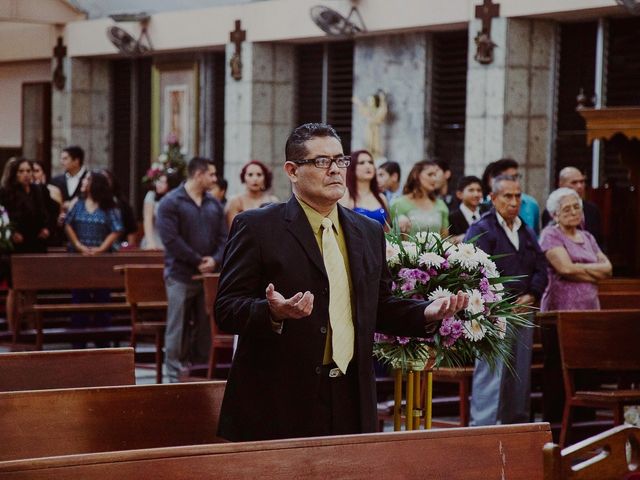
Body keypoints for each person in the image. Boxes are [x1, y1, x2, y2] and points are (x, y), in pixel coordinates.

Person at [214, 122, 468, 442]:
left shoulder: (367, 231)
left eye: (340, 160)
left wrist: (425, 312)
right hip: (281, 395)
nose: (335, 170)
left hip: (351, 391)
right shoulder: (258, 226)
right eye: (322, 162)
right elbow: (225, 309)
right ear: (292, 170)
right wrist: (272, 311)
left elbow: (378, 306)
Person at [465, 174, 547, 426]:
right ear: (493, 198)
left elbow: (541, 266)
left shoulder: (525, 229)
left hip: (523, 308)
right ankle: (482, 429)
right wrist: (499, 301)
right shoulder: (482, 228)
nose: (514, 202)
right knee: (491, 372)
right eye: (507, 196)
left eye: (518, 196)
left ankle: (517, 428)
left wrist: (532, 293)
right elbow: (472, 269)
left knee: (520, 373)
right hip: (493, 312)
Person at [157, 157, 227, 383]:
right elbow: (170, 239)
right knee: (177, 326)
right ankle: (174, 375)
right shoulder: (170, 202)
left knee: (206, 326)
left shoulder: (214, 204)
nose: (215, 179)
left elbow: (224, 238)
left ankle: (200, 371)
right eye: (212, 174)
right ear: (199, 174)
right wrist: (197, 260)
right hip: (180, 274)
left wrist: (214, 260)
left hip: (207, 276)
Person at [64, 170, 124, 348]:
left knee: (101, 299)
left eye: (88, 179)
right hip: (80, 258)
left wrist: (101, 249)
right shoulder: (79, 204)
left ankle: (102, 342)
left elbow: (116, 229)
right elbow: (68, 224)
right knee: (79, 300)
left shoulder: (108, 206)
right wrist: (78, 245)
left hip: (100, 259)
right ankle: (78, 343)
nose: (85, 182)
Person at [539, 187, 612, 311]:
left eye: (576, 207)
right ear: (555, 215)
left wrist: (577, 267)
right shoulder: (550, 235)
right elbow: (566, 269)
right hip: (562, 307)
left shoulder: (587, 236)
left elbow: (608, 269)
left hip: (591, 305)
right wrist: (596, 275)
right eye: (566, 209)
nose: (573, 212)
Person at [0, 158, 50, 334]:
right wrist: (11, 233)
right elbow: (4, 218)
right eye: (21, 171)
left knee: (31, 288)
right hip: (17, 245)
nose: (26, 175)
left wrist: (45, 227)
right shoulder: (6, 192)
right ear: (15, 174)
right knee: (15, 287)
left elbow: (45, 212)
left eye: (28, 171)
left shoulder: (38, 191)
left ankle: (30, 325)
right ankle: (13, 328)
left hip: (34, 243)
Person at [541, 167, 603, 247]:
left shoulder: (593, 210)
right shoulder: (551, 211)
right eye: (574, 183)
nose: (580, 186)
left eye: (582, 182)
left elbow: (600, 242)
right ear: (561, 185)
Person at [390, 160, 449, 236]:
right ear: (416, 175)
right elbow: (394, 237)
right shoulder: (398, 204)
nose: (434, 179)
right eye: (430, 174)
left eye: (435, 175)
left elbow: (445, 239)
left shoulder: (441, 205)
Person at [489, 158, 541, 234]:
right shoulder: (485, 208)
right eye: (509, 178)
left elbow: (536, 235)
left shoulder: (532, 204)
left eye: (516, 177)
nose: (514, 203)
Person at [339, 149, 388, 227]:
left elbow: (387, 230)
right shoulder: (345, 195)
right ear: (353, 168)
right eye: (362, 163)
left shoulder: (381, 198)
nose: (368, 166)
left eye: (371, 162)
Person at [225, 160, 279, 227]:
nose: (255, 179)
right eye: (250, 175)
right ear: (244, 178)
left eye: (259, 175)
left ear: (265, 178)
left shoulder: (273, 201)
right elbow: (233, 231)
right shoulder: (235, 202)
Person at [141, 171, 182, 250]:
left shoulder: (176, 198)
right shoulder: (151, 195)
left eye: (163, 182)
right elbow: (147, 219)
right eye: (158, 181)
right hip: (154, 236)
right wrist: (150, 241)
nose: (158, 184)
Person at [101, 169, 137, 247]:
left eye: (107, 179)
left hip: (119, 244)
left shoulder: (121, 203)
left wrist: (130, 248)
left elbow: (131, 228)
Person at [32, 160, 64, 247]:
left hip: (52, 231)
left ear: (43, 173)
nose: (34, 174)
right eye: (32, 171)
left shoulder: (53, 190)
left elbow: (60, 213)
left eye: (37, 171)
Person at [448, 175, 487, 242]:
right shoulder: (451, 217)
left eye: (479, 190)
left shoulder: (486, 214)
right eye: (471, 190)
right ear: (459, 194)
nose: (476, 194)